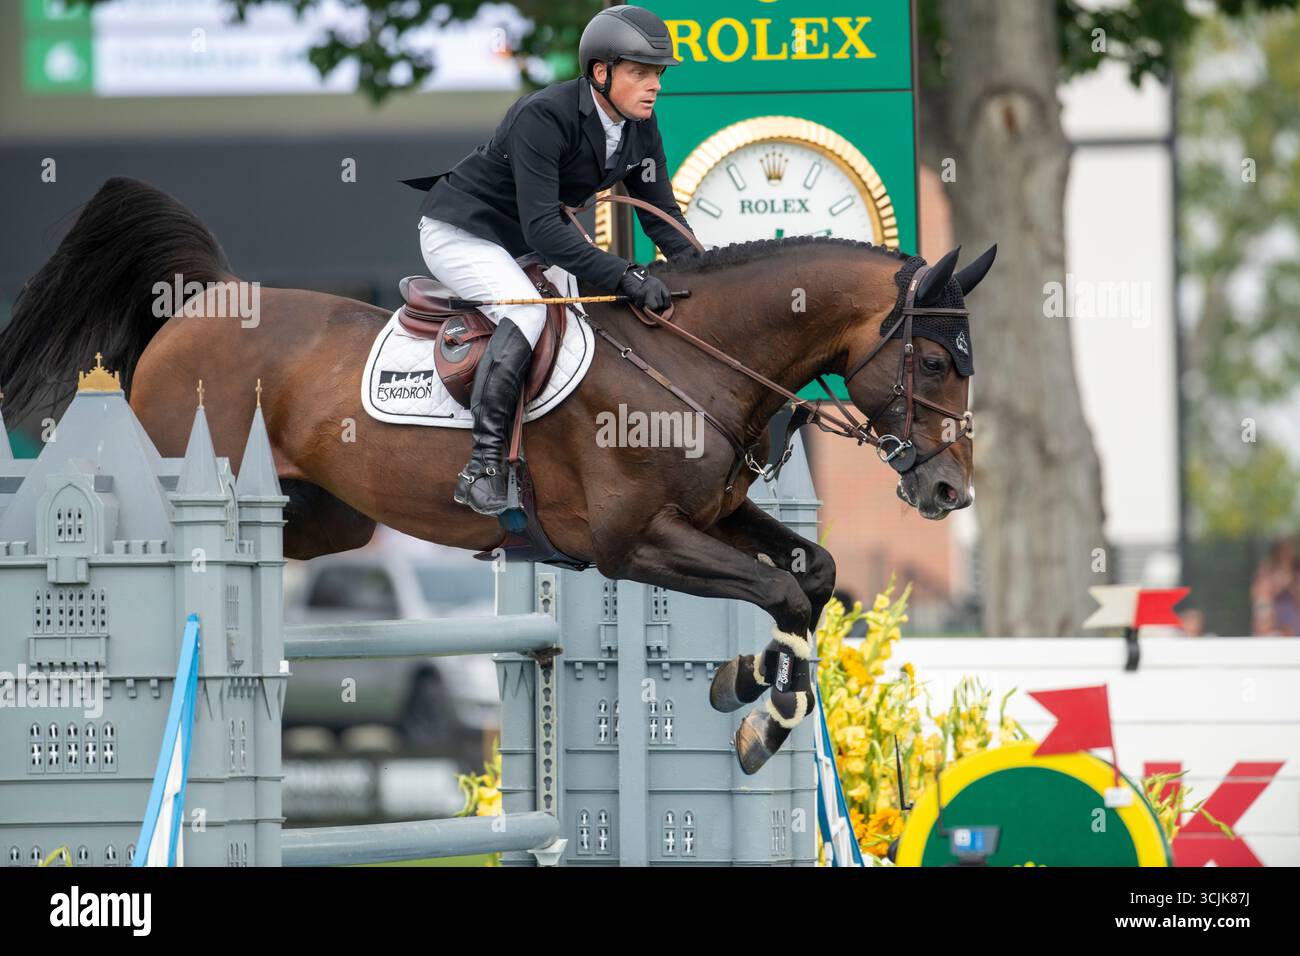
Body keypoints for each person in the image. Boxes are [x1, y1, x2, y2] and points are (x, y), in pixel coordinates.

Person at [402, 4, 699, 516]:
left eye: (658, 75)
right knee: (527, 312)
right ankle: (484, 464)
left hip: (530, 241)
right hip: (463, 231)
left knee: (585, 332)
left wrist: (705, 273)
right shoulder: (543, 114)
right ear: (600, 73)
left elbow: (659, 214)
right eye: (641, 73)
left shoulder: (640, 127)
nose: (655, 86)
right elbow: (543, 227)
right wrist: (626, 274)